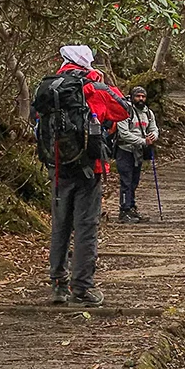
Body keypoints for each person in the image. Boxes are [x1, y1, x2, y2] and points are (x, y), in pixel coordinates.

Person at [33, 45, 130, 306]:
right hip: (90, 168)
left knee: (60, 224)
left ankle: (57, 285)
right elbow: (124, 110)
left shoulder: (50, 87)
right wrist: (100, 81)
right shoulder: (92, 86)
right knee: (86, 226)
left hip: (57, 166)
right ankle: (83, 287)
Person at [115, 86, 159, 224]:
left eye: (143, 96)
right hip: (125, 150)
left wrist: (154, 136)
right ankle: (124, 210)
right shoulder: (125, 112)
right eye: (138, 96)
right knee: (126, 181)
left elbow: (154, 128)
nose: (141, 99)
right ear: (132, 97)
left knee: (134, 182)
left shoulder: (148, 113)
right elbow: (123, 133)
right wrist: (143, 141)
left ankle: (132, 207)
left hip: (138, 152)